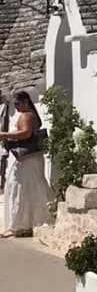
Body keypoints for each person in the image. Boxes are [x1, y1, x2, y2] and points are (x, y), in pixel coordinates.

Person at [0, 90, 51, 237]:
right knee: (31, 187)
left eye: (17, 103)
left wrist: (4, 135)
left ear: (25, 102)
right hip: (32, 157)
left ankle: (18, 226)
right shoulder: (32, 115)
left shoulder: (26, 116)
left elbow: (26, 133)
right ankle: (28, 224)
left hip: (26, 159)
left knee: (20, 187)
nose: (15, 107)